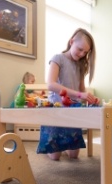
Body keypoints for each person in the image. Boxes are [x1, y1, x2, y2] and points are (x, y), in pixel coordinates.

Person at [36, 28, 98, 161]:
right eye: (80, 49)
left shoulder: (80, 65)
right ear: (71, 42)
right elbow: (51, 84)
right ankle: (55, 148)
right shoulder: (58, 58)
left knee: (74, 155)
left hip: (72, 110)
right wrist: (79, 95)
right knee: (55, 156)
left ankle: (62, 146)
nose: (82, 54)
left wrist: (89, 98)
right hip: (56, 108)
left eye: (85, 52)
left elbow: (81, 91)